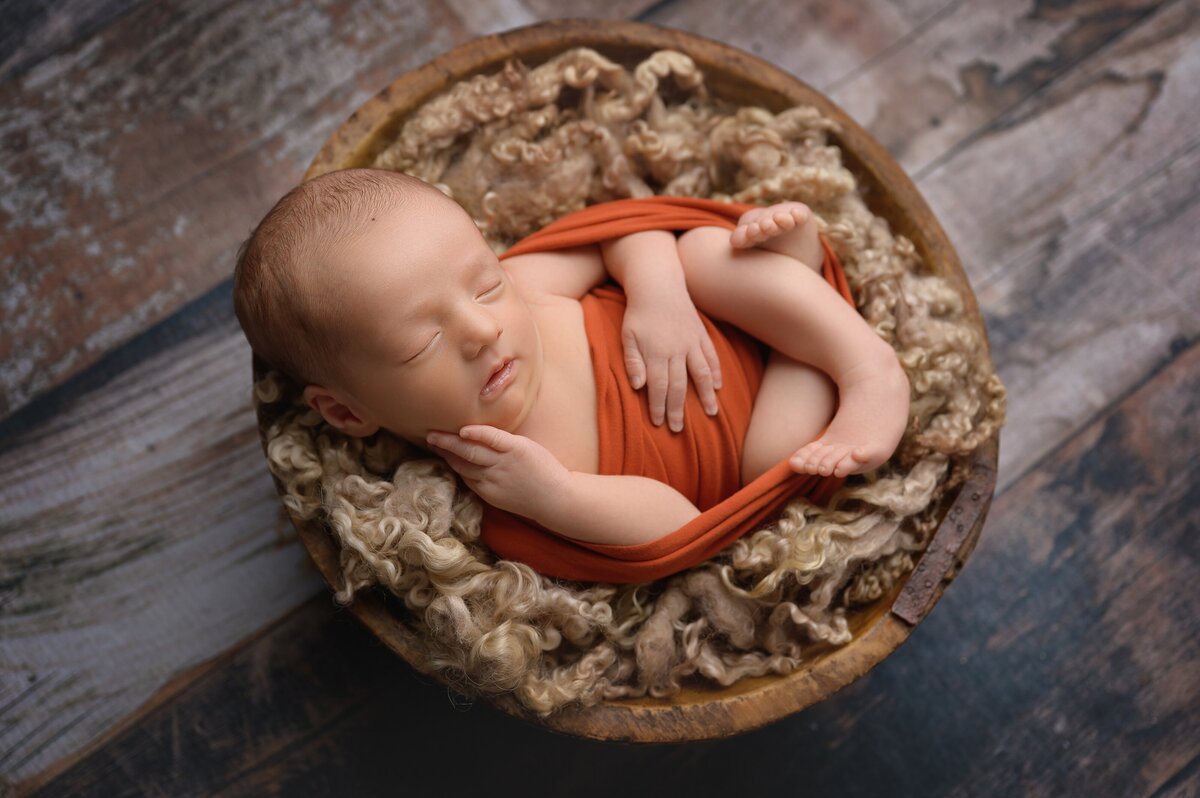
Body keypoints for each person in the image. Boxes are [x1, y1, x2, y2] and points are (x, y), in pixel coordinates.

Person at [233, 168, 909, 550]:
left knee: (700, 254)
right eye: (420, 344)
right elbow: (681, 528)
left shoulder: (525, 287)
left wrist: (656, 295)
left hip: (711, 314)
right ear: (348, 412)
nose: (482, 328)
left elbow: (625, 233)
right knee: (774, 466)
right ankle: (806, 302)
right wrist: (559, 497)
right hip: (756, 427)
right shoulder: (504, 482)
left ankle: (863, 365)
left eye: (484, 283)